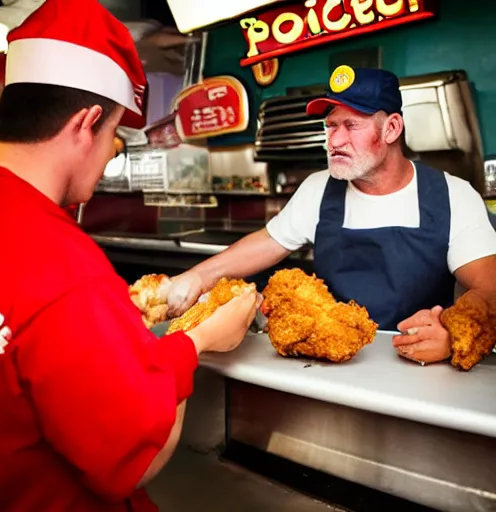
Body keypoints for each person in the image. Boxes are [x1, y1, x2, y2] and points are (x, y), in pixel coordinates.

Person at [0, 1, 259, 511]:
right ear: (87, 122)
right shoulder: (63, 263)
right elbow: (137, 460)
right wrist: (198, 339)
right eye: (113, 133)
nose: (111, 153)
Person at [167, 65, 496, 366]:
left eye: (351, 126)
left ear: (392, 128)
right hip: (329, 363)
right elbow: (269, 241)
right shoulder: (319, 189)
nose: (335, 141)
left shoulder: (452, 196)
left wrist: (452, 334)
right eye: (331, 126)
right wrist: (196, 277)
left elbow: (490, 289)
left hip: (417, 368)